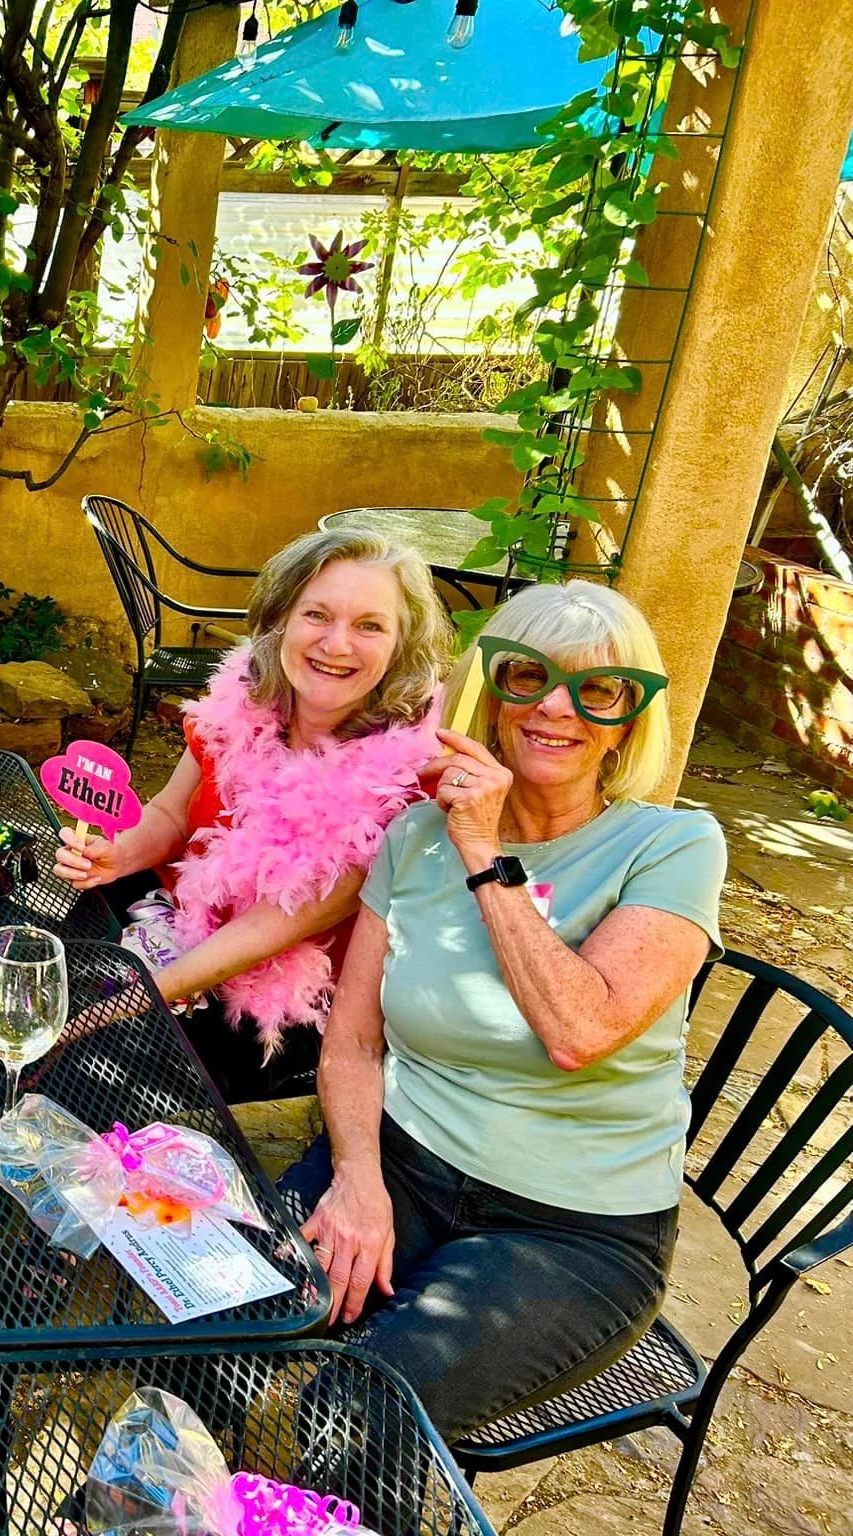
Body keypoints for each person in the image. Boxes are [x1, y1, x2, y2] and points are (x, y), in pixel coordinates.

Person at [282, 580, 725, 1440]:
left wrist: (484, 848)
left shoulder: (673, 845)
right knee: (220, 1311)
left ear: (632, 715)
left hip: (569, 1230)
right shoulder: (415, 836)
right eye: (529, 676)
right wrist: (358, 1179)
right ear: (494, 692)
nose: (556, 707)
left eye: (597, 689)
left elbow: (579, 1030)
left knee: (362, 1418)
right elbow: (352, 1042)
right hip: (405, 1166)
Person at [53, 528, 451, 1102]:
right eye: (317, 614)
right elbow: (170, 812)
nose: (336, 644)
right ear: (281, 619)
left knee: (95, 1076)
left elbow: (273, 926)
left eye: (370, 625)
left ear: (401, 647)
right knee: (40, 974)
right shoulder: (241, 702)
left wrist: (122, 1002)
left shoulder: (401, 783)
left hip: (272, 999)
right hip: (168, 917)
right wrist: (118, 856)